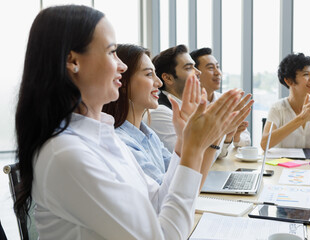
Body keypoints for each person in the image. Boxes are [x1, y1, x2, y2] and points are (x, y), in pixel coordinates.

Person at [14, 5, 243, 239]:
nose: (121, 66)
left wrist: (184, 144)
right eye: (112, 52)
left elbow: (157, 202)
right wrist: (195, 149)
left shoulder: (104, 135)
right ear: (74, 61)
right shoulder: (65, 153)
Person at [103, 44, 222, 185]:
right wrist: (215, 137)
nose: (158, 83)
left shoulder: (149, 136)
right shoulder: (122, 142)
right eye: (148, 74)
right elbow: (172, 192)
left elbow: (182, 178)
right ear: (122, 83)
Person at [148, 45, 253, 158]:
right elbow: (192, 159)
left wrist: (227, 133)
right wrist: (221, 128)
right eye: (189, 68)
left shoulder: (191, 107)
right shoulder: (160, 112)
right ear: (168, 78)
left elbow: (219, 154)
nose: (198, 72)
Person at [190, 47, 252, 153]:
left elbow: (246, 141)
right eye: (210, 68)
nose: (218, 72)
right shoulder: (189, 106)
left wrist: (235, 135)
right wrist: (226, 132)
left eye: (218, 67)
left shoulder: (226, 101)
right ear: (196, 73)